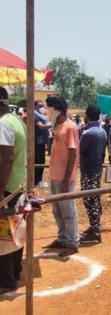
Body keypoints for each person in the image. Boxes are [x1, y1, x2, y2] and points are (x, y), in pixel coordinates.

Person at [44, 95, 80, 256]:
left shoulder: (70, 127)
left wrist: (66, 179)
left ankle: (72, 242)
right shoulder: (58, 126)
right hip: (55, 176)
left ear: (56, 109)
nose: (46, 111)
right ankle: (62, 237)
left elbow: (72, 153)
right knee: (57, 210)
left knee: (68, 210)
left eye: (48, 108)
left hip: (65, 178)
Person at [0, 87, 27, 294]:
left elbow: (7, 160)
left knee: (4, 235)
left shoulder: (3, 124)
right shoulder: (17, 120)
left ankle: (6, 280)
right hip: (18, 184)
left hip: (7, 187)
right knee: (16, 230)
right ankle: (15, 271)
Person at [79, 105, 107, 244]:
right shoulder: (102, 132)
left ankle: (95, 232)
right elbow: (103, 153)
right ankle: (94, 227)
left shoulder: (87, 133)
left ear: (87, 116)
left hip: (88, 171)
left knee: (89, 200)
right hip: (97, 169)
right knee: (95, 198)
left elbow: (80, 150)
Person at [34, 100, 51, 187]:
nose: (42, 108)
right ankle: (38, 181)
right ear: (35, 107)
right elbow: (41, 126)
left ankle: (36, 180)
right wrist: (53, 124)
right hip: (38, 141)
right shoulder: (35, 115)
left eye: (43, 106)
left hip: (41, 141)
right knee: (39, 161)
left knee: (39, 160)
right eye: (40, 106)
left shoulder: (43, 115)